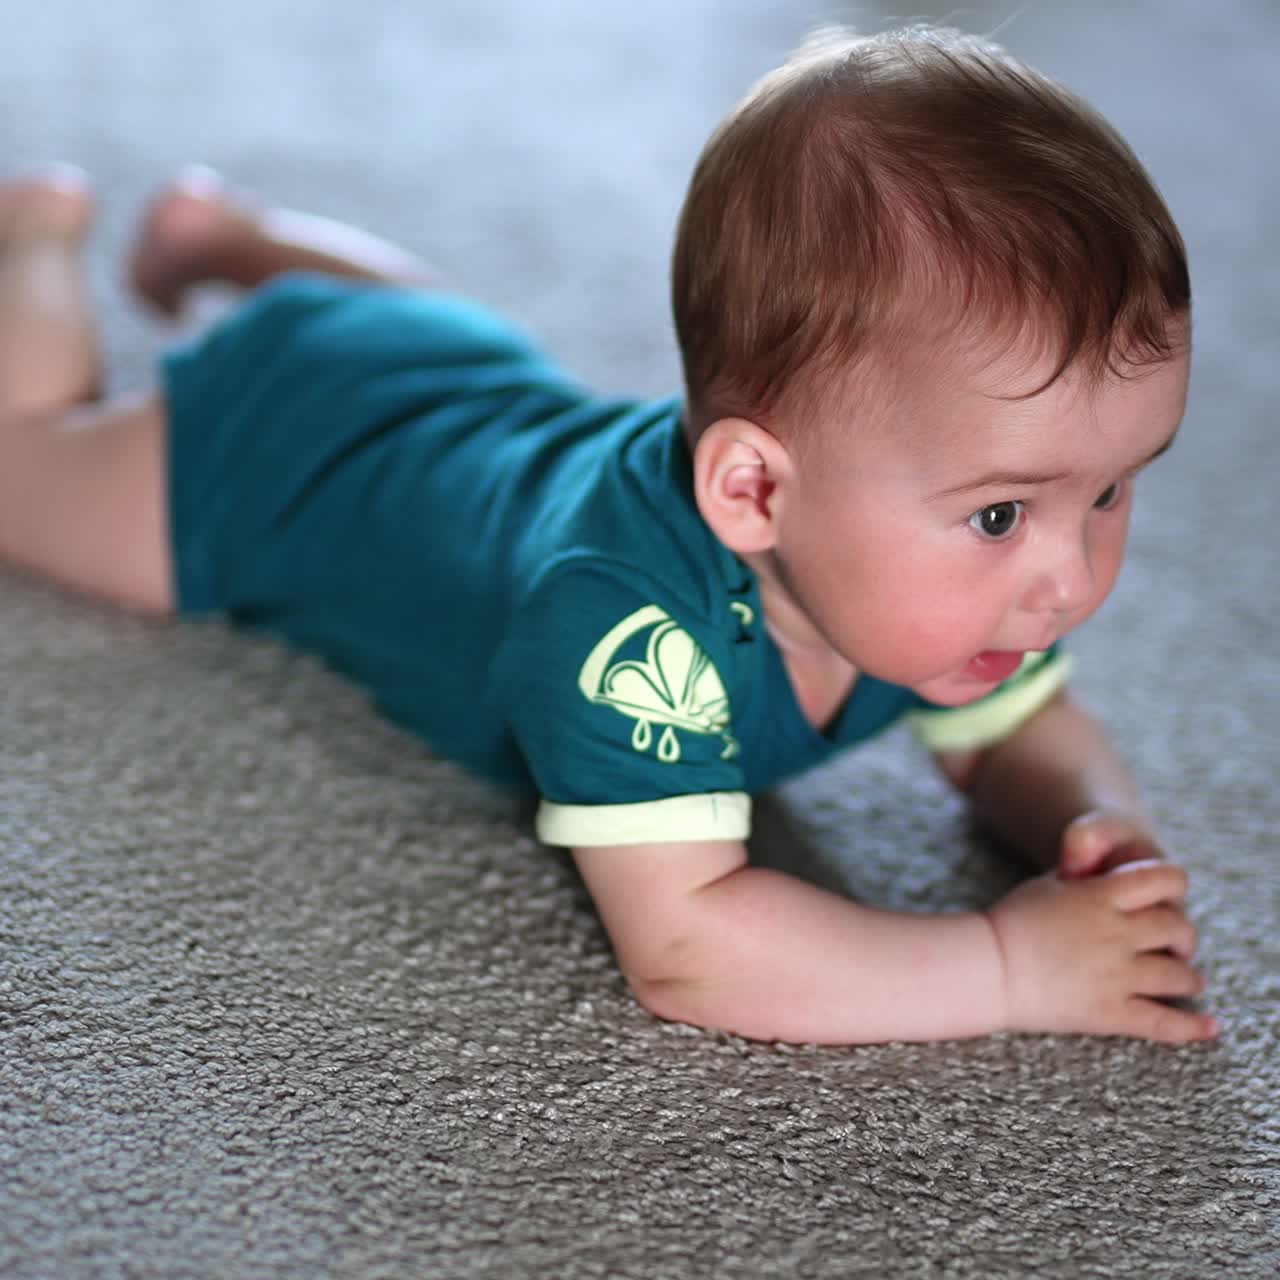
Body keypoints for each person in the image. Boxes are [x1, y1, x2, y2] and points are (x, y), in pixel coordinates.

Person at [0, 26, 1217, 1046]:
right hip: (283, 461)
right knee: (27, 472)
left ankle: (232, 237)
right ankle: (42, 243)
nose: (1067, 579)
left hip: (450, 373)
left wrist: (1089, 826)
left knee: (432, 333)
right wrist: (1007, 965)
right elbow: (692, 947)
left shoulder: (937, 586)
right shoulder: (620, 621)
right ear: (750, 492)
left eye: (1108, 491)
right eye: (1001, 514)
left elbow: (1017, 728)